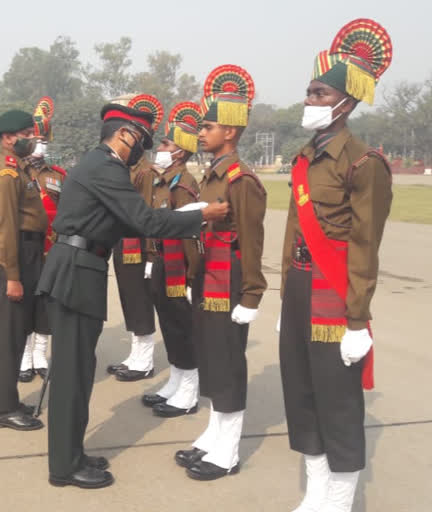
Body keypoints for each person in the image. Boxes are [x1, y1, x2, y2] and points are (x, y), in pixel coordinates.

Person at [36, 103, 229, 489]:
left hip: (78, 267)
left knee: (77, 371)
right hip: (77, 272)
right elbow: (146, 221)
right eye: (140, 140)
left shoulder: (96, 165)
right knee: (73, 377)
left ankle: (72, 453)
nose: (142, 149)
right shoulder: (106, 168)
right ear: (123, 134)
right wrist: (202, 215)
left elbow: (128, 222)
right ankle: (64, 467)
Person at [280, 19, 393, 512]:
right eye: (308, 91)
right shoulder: (305, 157)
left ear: (345, 103)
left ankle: (341, 499)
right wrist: (286, 296)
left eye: (319, 93)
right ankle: (317, 491)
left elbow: (366, 245)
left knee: (338, 400)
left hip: (336, 293)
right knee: (301, 393)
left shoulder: (364, 163)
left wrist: (356, 320)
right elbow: (293, 234)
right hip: (302, 287)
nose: (310, 100)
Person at [174, 65, 267, 481]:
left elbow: (251, 240)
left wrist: (251, 296)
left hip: (228, 284)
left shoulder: (240, 179)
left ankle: (227, 451)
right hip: (207, 278)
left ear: (230, 132)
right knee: (211, 360)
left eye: (208, 126)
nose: (201, 132)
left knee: (227, 364)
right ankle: (214, 434)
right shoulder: (212, 175)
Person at [0, 109, 48, 431]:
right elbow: (6, 227)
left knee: (18, 332)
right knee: (9, 335)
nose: (31, 139)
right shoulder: (7, 174)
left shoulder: (20, 169)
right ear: (7, 138)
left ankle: (8, 400)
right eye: (24, 134)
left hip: (28, 252)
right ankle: (3, 408)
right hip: (17, 254)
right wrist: (13, 276)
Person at [140, 102, 203, 418]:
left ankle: (189, 390)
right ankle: (176, 381)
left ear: (180, 152)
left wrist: (193, 277)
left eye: (166, 144)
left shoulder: (185, 184)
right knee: (169, 323)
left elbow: (192, 234)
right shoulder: (161, 181)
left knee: (182, 327)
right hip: (162, 263)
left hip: (180, 268)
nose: (161, 147)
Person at [106, 94, 164, 382]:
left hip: (139, 248)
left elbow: (147, 216)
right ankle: (135, 354)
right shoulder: (126, 169)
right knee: (129, 299)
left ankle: (144, 360)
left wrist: (152, 255)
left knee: (140, 301)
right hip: (123, 244)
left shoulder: (144, 172)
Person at [19, 97, 65, 383]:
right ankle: (23, 357)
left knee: (47, 304)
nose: (41, 144)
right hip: (26, 250)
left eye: (44, 140)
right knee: (24, 303)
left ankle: (40, 354)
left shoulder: (59, 175)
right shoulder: (17, 174)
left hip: (52, 251)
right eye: (36, 139)